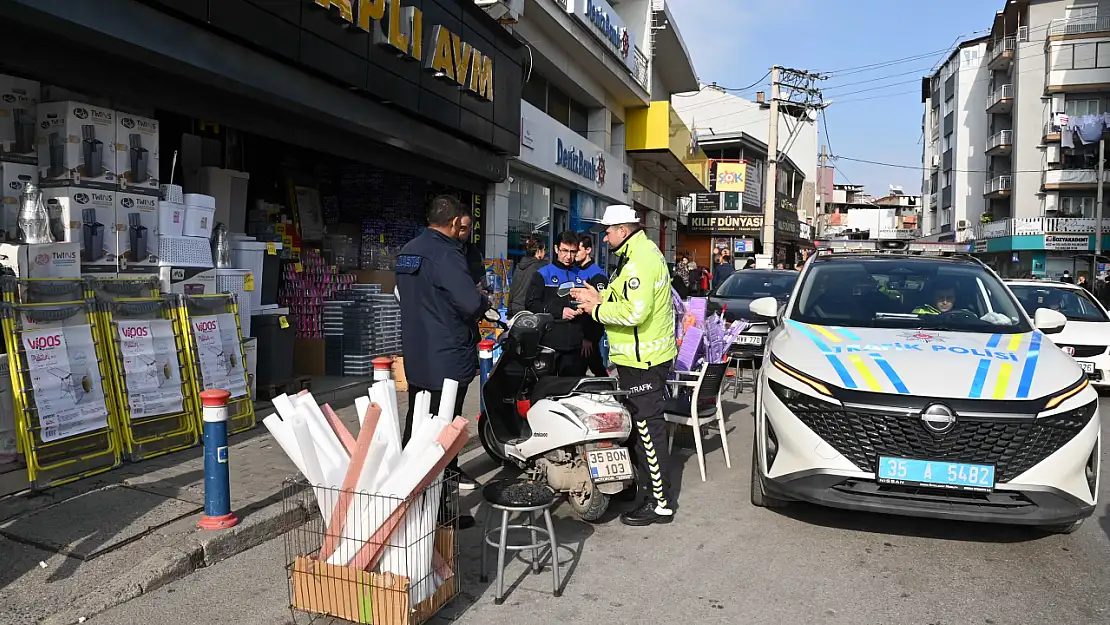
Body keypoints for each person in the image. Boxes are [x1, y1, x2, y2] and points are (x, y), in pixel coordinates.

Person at [572, 204, 678, 527]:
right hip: (636, 359)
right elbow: (625, 299)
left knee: (648, 429)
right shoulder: (634, 255)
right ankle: (646, 489)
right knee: (639, 429)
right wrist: (601, 297)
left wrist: (595, 310)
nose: (603, 238)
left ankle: (660, 503)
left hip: (644, 361)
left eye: (607, 231)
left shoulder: (640, 260)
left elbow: (634, 313)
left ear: (623, 230)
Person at [395, 195, 485, 514]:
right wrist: (481, 299)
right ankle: (441, 515)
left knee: (417, 428)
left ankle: (408, 504)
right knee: (444, 437)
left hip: (418, 355)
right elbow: (470, 304)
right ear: (453, 222)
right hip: (448, 356)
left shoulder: (408, 251)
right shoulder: (447, 254)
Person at [527, 231, 587, 377]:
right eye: (564, 251)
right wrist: (560, 311)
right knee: (547, 392)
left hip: (576, 347)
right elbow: (531, 305)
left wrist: (589, 336)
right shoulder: (542, 274)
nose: (568, 256)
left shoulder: (582, 276)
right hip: (549, 346)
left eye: (573, 252)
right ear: (555, 249)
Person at [575, 234, 609, 377]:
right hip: (575, 335)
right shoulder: (574, 270)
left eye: (577, 250)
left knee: (598, 372)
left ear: (588, 250)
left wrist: (590, 337)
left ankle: (612, 396)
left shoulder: (597, 275)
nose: (574, 254)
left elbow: (600, 308)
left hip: (587, 338)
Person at [508, 238, 545, 316]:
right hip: (528, 310)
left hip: (515, 308)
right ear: (538, 251)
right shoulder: (540, 267)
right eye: (544, 249)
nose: (545, 252)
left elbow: (512, 289)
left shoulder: (519, 266)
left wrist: (509, 312)